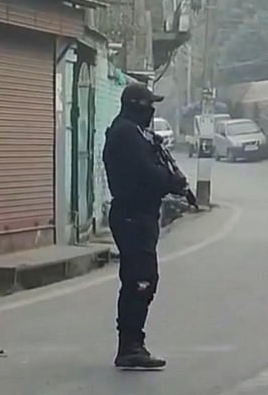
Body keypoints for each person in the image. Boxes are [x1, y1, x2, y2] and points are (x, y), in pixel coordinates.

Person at [103, 82, 188, 369]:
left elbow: (153, 165)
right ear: (137, 105)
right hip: (132, 214)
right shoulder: (125, 133)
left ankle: (132, 343)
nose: (152, 110)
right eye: (149, 105)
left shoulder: (137, 132)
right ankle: (130, 346)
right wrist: (171, 182)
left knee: (140, 279)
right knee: (140, 279)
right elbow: (145, 171)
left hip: (140, 214)